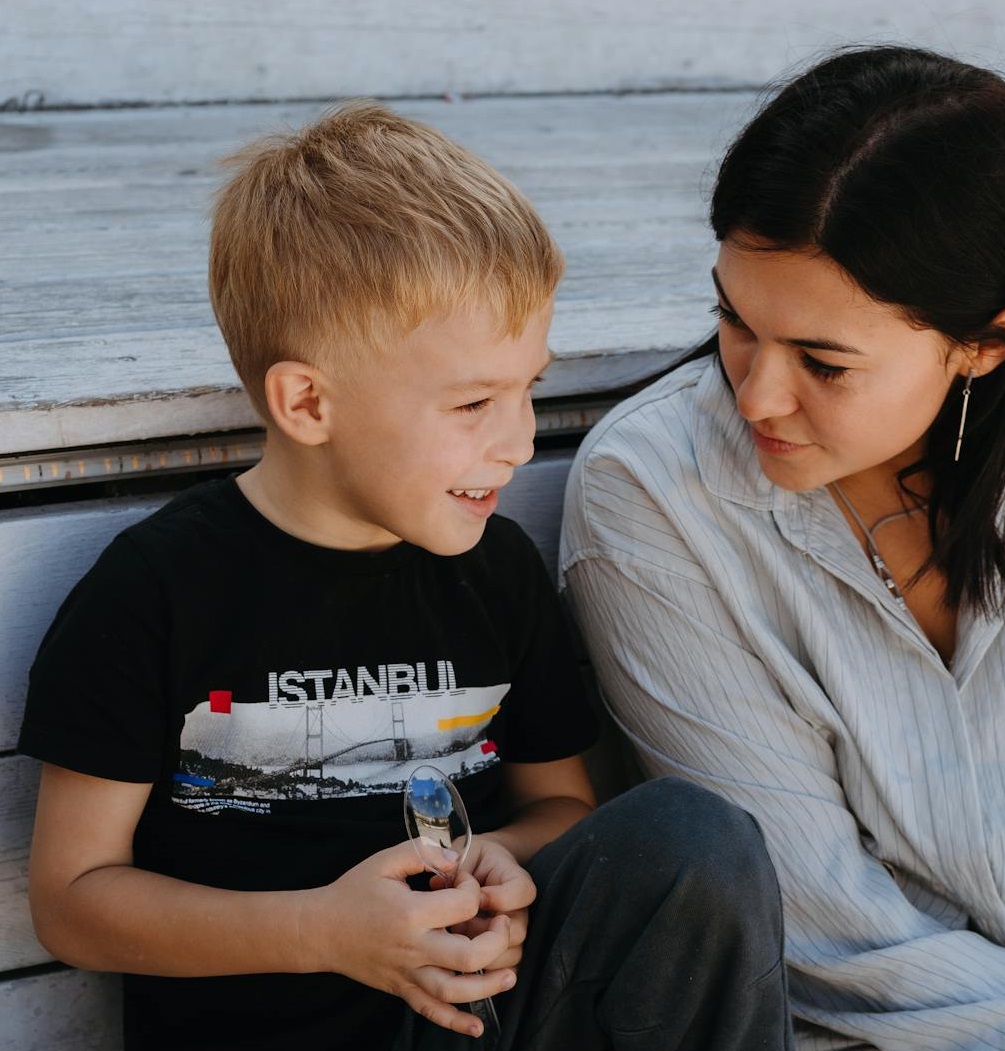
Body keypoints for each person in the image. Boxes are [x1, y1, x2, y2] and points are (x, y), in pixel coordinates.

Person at [20, 101, 793, 1051]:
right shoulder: (160, 592)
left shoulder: (493, 574)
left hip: (476, 1017)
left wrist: (500, 859)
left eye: (528, 391)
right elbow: (75, 900)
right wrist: (323, 930)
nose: (516, 442)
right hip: (275, 1027)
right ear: (308, 402)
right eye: (472, 401)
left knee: (694, 837)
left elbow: (562, 807)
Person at [561, 46, 1005, 1051]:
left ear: (985, 344)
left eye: (822, 360)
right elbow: (833, 931)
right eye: (733, 318)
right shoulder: (653, 500)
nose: (755, 393)